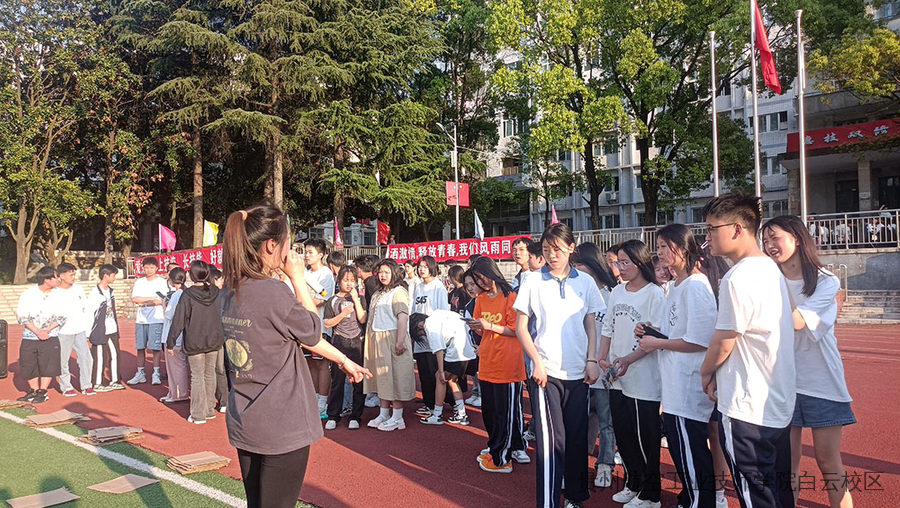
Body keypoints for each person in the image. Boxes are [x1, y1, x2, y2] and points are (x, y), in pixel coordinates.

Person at [219, 205, 369, 508]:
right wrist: (298, 278)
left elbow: (294, 336)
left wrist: (342, 360)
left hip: (245, 418)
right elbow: (312, 330)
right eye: (289, 243)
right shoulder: (273, 292)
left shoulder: (230, 290)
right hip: (281, 420)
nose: (293, 252)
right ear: (272, 246)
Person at [699, 193, 795, 508]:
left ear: (738, 229)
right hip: (776, 403)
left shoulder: (737, 278)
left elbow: (726, 338)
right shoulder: (770, 269)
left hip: (745, 409)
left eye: (713, 229)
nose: (707, 237)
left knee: (756, 496)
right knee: (779, 492)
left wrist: (706, 371)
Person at [762, 215, 855, 508]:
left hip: (821, 383)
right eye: (764, 241)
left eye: (774, 238)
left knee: (829, 463)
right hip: (782, 383)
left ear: (797, 238)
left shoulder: (825, 281)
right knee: (787, 465)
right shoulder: (766, 280)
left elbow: (798, 322)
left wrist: (774, 282)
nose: (769, 246)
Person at [514, 223, 605, 508]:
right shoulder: (532, 281)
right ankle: (548, 501)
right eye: (545, 250)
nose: (551, 255)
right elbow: (521, 327)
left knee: (577, 438)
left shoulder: (586, 283)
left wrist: (592, 360)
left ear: (570, 248)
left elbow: (591, 323)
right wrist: (537, 363)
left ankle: (576, 497)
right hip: (546, 374)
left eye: (557, 249)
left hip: (578, 372)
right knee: (553, 442)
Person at [636, 224, 719, 508]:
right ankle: (691, 499)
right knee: (682, 451)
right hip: (675, 385)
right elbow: (678, 332)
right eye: (657, 247)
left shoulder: (696, 286)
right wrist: (653, 332)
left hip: (687, 387)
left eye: (664, 247)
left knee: (692, 452)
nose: (659, 253)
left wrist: (657, 343)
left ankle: (701, 502)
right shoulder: (678, 285)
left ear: (682, 249)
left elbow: (699, 341)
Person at [598, 240, 667, 508]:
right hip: (617, 375)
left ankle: (651, 494)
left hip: (643, 377)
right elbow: (608, 328)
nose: (620, 267)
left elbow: (654, 338)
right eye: (617, 262)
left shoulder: (654, 294)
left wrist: (627, 359)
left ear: (640, 264)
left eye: (625, 262)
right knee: (624, 435)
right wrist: (603, 359)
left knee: (645, 437)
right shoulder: (617, 291)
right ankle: (633, 484)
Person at [465, 256, 528, 473]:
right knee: (490, 412)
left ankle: (502, 458)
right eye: (476, 280)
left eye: (482, 278)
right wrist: (478, 328)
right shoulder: (481, 299)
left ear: (493, 273)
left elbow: (516, 330)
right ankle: (499, 447)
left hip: (508, 363)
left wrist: (488, 325)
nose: (481, 284)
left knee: (507, 413)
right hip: (488, 360)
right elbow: (482, 328)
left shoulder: (511, 296)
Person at [570, 242, 618, 489]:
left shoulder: (612, 294)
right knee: (581, 418)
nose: (575, 269)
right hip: (580, 368)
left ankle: (605, 465)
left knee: (607, 421)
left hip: (603, 370)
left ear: (592, 265)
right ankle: (580, 461)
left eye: (579, 265)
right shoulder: (574, 293)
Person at [166, 261, 225, 424]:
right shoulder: (216, 291)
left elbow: (178, 319)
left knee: (198, 376)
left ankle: (198, 414)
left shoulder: (188, 294)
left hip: (195, 340)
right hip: (214, 339)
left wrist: (170, 342)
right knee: (209, 373)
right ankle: (208, 409)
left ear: (191, 275)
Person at [364, 259, 415, 431]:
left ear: (394, 273)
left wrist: (400, 341)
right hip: (377, 338)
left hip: (393, 337)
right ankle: (384, 413)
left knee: (397, 376)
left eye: (387, 271)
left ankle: (398, 417)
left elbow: (402, 317)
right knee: (381, 377)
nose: (383, 275)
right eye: (381, 272)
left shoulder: (399, 291)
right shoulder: (379, 292)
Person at [323, 265, 368, 430]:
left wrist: (356, 300)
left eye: (352, 281)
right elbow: (327, 322)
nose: (349, 284)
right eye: (346, 280)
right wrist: (342, 314)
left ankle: (355, 416)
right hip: (339, 342)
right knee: (338, 381)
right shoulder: (333, 300)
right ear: (339, 281)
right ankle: (333, 415)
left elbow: (363, 319)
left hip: (356, 341)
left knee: (358, 379)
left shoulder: (360, 298)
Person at [419, 308, 475, 426]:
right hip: (469, 348)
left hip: (457, 349)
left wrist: (440, 370)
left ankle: (437, 414)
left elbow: (439, 350)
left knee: (441, 378)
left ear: (419, 324)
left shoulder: (429, 323)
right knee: (453, 380)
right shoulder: (442, 314)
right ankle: (461, 414)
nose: (422, 334)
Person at [16, 266, 63, 403]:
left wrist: (47, 331)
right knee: (28, 364)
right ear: (47, 279)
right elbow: (22, 316)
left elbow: (62, 316)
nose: (58, 279)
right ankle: (33, 391)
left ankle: (43, 392)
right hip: (30, 336)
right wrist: (37, 331)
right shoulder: (28, 294)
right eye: (56, 277)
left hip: (51, 336)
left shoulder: (58, 295)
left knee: (48, 365)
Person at [410, 255, 450, 417]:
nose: (421, 269)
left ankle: (442, 403)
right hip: (420, 337)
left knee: (435, 370)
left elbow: (442, 311)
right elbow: (414, 309)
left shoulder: (438, 286)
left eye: (425, 266)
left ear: (432, 267)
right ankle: (429, 404)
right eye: (419, 266)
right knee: (424, 372)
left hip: (433, 334)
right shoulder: (418, 287)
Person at [305, 239, 335, 419]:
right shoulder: (303, 273)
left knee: (322, 364)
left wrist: (304, 300)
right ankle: (315, 399)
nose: (307, 255)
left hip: (321, 326)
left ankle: (323, 403)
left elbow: (323, 298)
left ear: (321, 255)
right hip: (304, 326)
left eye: (310, 252)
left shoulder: (326, 274)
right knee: (310, 364)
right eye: (306, 252)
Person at [53, 263, 94, 397]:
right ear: (61, 276)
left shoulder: (78, 289)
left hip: (80, 330)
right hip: (63, 332)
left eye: (74, 274)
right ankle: (66, 386)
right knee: (62, 360)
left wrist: (87, 330)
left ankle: (86, 385)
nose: (73, 277)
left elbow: (86, 309)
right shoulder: (54, 292)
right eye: (71, 275)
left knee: (86, 358)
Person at [128, 257, 169, 385]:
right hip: (141, 319)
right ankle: (140, 373)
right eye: (146, 267)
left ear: (157, 268)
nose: (149, 270)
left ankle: (156, 373)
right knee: (140, 347)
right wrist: (151, 299)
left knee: (155, 348)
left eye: (151, 267)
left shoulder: (162, 282)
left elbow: (162, 300)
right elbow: (134, 299)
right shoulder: (140, 282)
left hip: (156, 318)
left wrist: (144, 301)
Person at [87, 265, 125, 392]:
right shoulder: (95, 294)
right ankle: (97, 383)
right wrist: (89, 333)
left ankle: (115, 380)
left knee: (115, 355)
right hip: (99, 330)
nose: (114, 277)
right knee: (100, 357)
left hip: (112, 328)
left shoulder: (111, 291)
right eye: (113, 275)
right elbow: (90, 313)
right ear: (105, 276)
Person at [160, 267, 189, 403]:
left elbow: (169, 314)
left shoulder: (178, 294)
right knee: (175, 366)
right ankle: (173, 392)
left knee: (176, 366)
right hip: (179, 335)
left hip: (174, 335)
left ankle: (179, 393)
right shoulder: (185, 291)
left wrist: (164, 304)